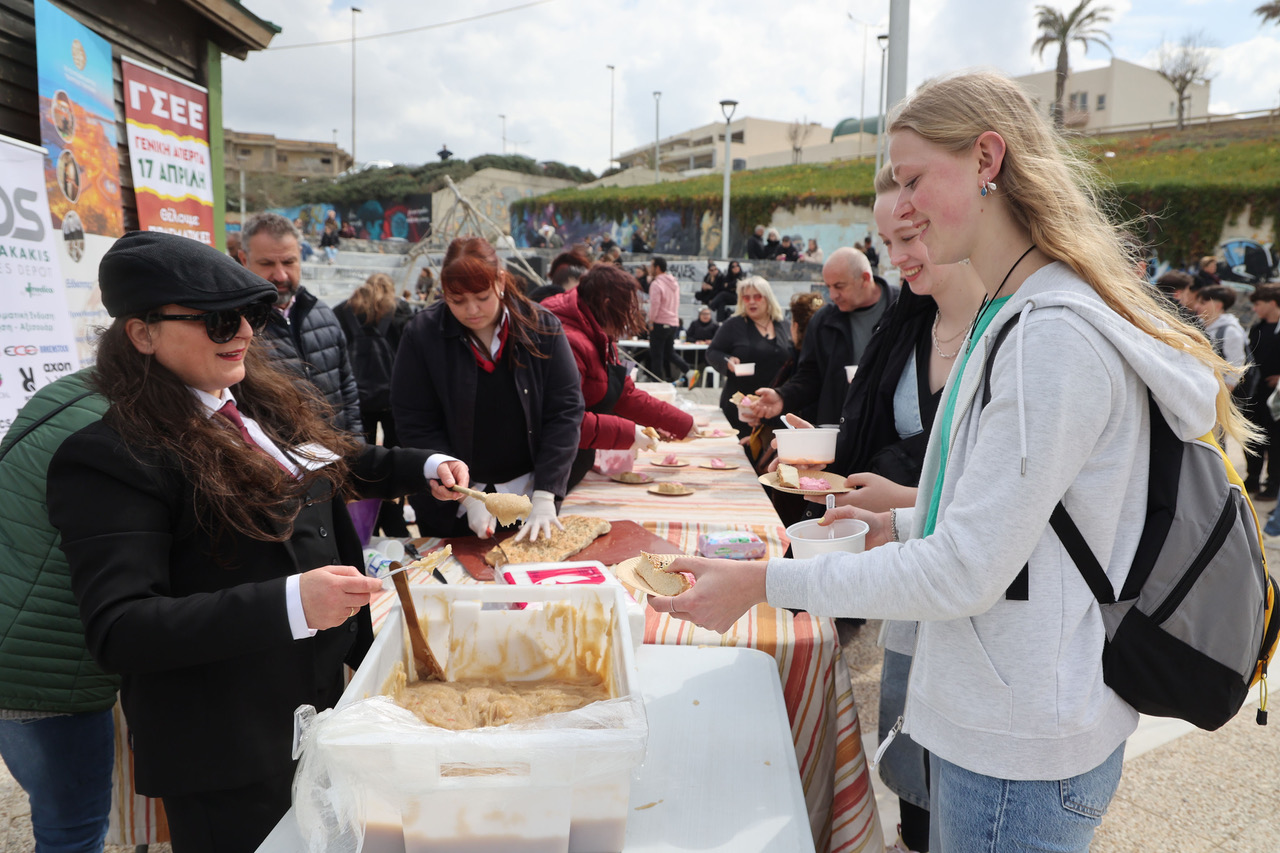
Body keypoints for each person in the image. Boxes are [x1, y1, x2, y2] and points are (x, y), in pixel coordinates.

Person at [650, 70, 1242, 852]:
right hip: (1007, 726)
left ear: (987, 159)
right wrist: (899, 518)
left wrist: (764, 583)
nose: (902, 206)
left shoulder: (1047, 335)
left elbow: (965, 570)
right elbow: (1006, 528)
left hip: (1017, 745)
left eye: (913, 178)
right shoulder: (1016, 317)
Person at [45, 231, 469, 853]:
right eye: (219, 320)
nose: (243, 332)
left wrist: (421, 465)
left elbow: (327, 464)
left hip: (314, 711)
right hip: (228, 747)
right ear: (142, 335)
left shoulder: (247, 403)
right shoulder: (110, 457)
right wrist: (292, 603)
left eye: (252, 314)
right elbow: (121, 627)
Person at [392, 236, 584, 541]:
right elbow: (415, 421)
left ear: (501, 281)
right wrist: (465, 495)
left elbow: (565, 412)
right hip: (451, 500)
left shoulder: (542, 327)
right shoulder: (422, 335)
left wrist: (547, 494)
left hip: (528, 492)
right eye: (457, 300)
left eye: (482, 296)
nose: (471, 310)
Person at [0, 369, 116, 853]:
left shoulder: (69, 391)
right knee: (72, 831)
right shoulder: (130, 424)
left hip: (19, 642)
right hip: (48, 665)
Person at [544, 265, 696, 489]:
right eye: (624, 311)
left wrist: (682, 423)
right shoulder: (568, 339)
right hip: (549, 466)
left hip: (575, 460)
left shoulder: (598, 332)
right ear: (607, 305)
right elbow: (564, 421)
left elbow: (625, 394)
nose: (625, 322)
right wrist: (630, 433)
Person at [241, 213, 364, 436]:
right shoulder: (234, 327)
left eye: (289, 262)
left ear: (300, 255)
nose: (280, 275)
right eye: (267, 263)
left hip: (339, 460)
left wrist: (357, 448)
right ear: (243, 260)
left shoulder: (324, 315)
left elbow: (348, 390)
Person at [747, 247, 897, 428]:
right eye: (828, 287)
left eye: (839, 287)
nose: (833, 295)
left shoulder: (902, 308)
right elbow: (809, 376)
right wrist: (782, 397)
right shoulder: (823, 320)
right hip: (839, 431)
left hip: (892, 429)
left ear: (865, 279)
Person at [335, 273, 412, 537]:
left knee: (363, 464)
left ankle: (366, 520)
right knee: (396, 463)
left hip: (358, 400)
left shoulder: (343, 311)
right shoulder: (400, 311)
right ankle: (394, 518)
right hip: (394, 400)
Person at [705, 276, 794, 437]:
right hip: (741, 407)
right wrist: (728, 361)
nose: (752, 301)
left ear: (768, 299)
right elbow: (712, 352)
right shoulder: (733, 324)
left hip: (775, 407)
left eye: (757, 296)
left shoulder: (784, 325)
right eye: (747, 297)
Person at [1244, 285, 1280, 499]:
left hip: (1276, 397)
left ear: (1272, 303)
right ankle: (1253, 478)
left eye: (1258, 304)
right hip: (1255, 394)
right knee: (1253, 438)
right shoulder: (1256, 328)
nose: (1255, 308)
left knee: (1276, 441)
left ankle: (1274, 483)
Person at [646, 256, 697, 385]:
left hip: (660, 322)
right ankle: (688, 370)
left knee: (656, 355)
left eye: (651, 266)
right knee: (669, 353)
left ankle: (656, 383)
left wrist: (651, 321)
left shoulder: (656, 284)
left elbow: (655, 304)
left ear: (657, 268)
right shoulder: (674, 283)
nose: (650, 268)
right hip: (672, 322)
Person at [1195, 285, 1246, 393]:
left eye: (1202, 303)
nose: (1196, 306)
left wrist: (1224, 393)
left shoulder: (1230, 331)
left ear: (1218, 306)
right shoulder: (1198, 325)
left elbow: (1236, 366)